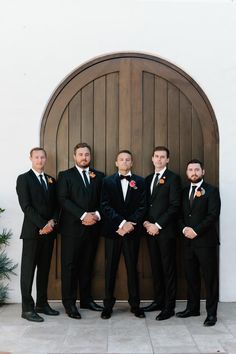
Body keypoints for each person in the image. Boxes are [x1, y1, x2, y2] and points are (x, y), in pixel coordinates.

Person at [57, 142, 105, 319]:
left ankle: (86, 299)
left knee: (87, 265)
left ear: (90, 156)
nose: (84, 157)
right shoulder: (65, 176)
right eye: (80, 154)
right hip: (72, 229)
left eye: (86, 154)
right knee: (69, 266)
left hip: (93, 228)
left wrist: (97, 215)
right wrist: (83, 215)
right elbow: (63, 199)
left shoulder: (99, 176)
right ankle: (69, 303)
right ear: (74, 156)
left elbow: (104, 199)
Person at [100, 150, 146, 319]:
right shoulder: (107, 181)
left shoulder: (140, 182)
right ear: (116, 162)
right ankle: (108, 306)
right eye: (121, 159)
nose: (124, 162)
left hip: (132, 232)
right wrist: (120, 223)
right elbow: (105, 205)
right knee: (110, 268)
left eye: (128, 160)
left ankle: (135, 305)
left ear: (132, 163)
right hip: (114, 231)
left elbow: (142, 206)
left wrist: (129, 225)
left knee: (132, 269)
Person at [16, 147, 59, 322]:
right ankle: (27, 309)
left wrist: (52, 223)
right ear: (31, 158)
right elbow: (26, 206)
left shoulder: (51, 180)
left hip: (48, 233)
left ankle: (42, 303)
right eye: (37, 157)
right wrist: (42, 224)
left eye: (42, 157)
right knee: (28, 271)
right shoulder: (24, 179)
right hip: (32, 233)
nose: (40, 160)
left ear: (46, 159)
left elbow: (57, 206)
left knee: (44, 270)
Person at [176, 159, 221, 327]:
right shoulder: (183, 191)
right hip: (187, 241)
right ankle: (192, 308)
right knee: (191, 276)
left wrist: (196, 230)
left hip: (206, 242)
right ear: (187, 173)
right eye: (190, 170)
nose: (193, 172)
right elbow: (179, 215)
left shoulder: (212, 191)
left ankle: (211, 314)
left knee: (210, 279)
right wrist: (184, 229)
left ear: (203, 172)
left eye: (197, 169)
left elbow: (213, 215)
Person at [142, 146, 181, 320]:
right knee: (156, 267)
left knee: (168, 268)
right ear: (152, 159)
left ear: (168, 160)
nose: (158, 159)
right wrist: (146, 223)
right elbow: (145, 204)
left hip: (165, 232)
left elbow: (174, 206)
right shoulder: (148, 178)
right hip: (150, 231)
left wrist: (157, 225)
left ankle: (169, 306)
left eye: (162, 157)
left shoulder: (173, 179)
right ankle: (158, 300)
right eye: (156, 156)